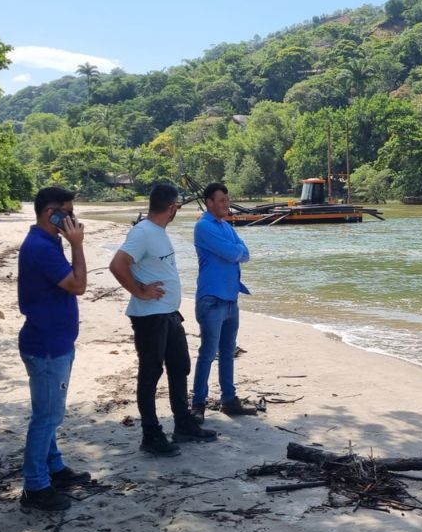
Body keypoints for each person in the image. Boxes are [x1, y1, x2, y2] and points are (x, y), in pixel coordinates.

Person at [109, 183, 216, 457]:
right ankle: (151, 434)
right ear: (171, 208)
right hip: (149, 317)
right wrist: (139, 291)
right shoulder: (143, 232)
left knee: (180, 366)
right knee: (150, 374)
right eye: (177, 206)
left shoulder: (157, 231)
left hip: (168, 314)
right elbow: (117, 265)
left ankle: (183, 424)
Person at [17, 187, 92, 511]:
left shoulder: (48, 242)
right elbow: (78, 285)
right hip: (47, 346)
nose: (73, 220)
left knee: (46, 413)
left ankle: (54, 468)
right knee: (48, 416)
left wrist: (69, 242)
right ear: (52, 214)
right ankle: (35, 487)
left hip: (51, 342)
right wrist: (78, 245)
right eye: (68, 213)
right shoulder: (41, 247)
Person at [191, 182, 256, 420]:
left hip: (230, 298)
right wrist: (235, 251)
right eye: (221, 201)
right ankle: (198, 404)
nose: (226, 204)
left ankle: (229, 400)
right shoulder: (203, 227)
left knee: (228, 352)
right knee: (208, 353)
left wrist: (236, 251)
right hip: (212, 300)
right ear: (209, 203)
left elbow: (245, 252)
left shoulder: (225, 226)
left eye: (227, 200)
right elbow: (234, 253)